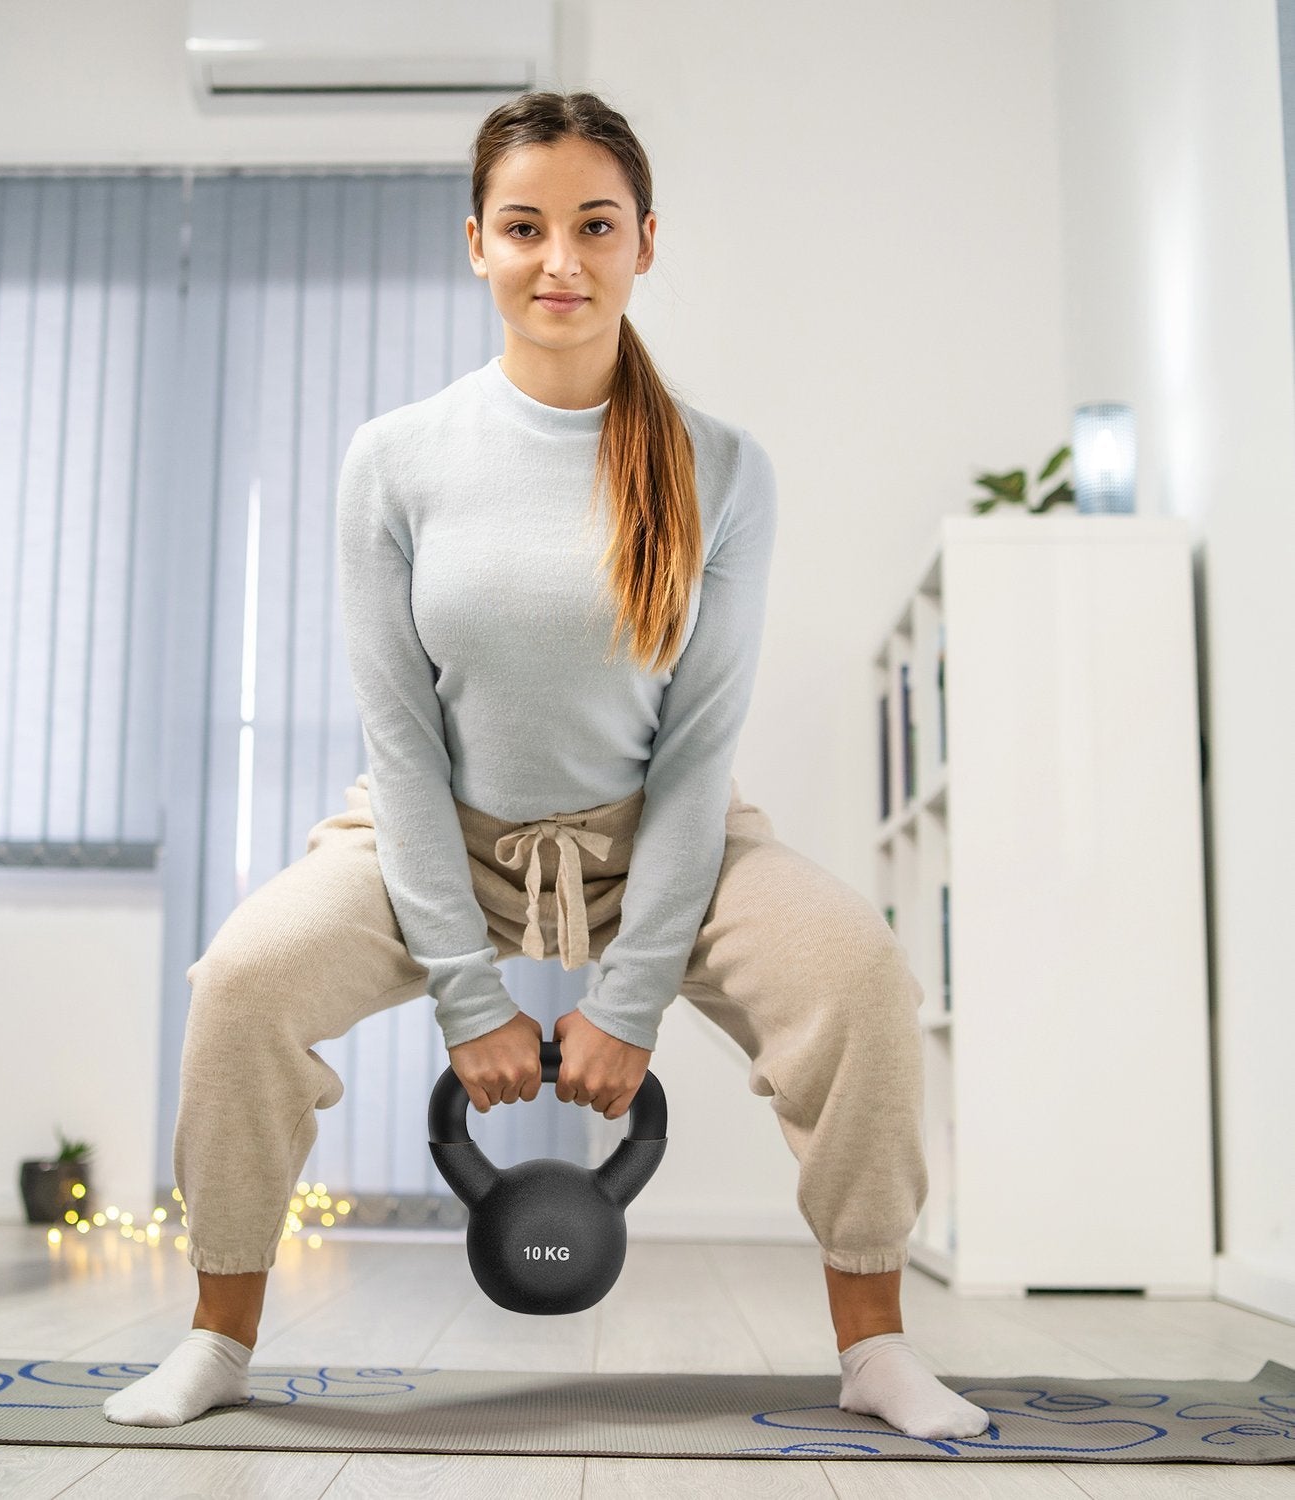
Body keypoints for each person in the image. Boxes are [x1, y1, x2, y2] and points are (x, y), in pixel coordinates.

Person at [104, 89, 989, 1443]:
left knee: (859, 975)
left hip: (659, 834)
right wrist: (471, 1000)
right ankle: (218, 1337)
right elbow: (399, 739)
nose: (559, 261)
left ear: (646, 242)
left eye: (593, 226)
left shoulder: (723, 466)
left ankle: (874, 1348)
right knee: (237, 987)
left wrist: (629, 1003)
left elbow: (698, 750)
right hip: (433, 832)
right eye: (524, 228)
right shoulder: (391, 461)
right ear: (477, 243)